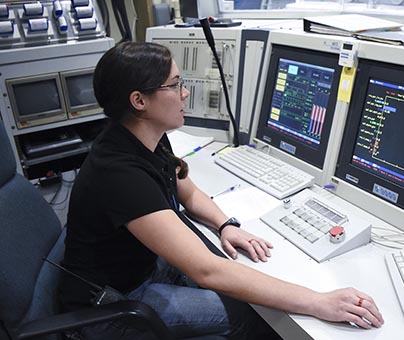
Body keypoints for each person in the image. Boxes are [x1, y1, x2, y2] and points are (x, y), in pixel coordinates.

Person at [58, 41, 384, 340]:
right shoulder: (119, 173)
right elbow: (207, 269)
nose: (185, 93)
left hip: (139, 269)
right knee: (248, 312)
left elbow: (186, 190)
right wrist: (317, 301)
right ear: (139, 100)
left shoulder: (143, 136)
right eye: (174, 85)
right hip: (112, 304)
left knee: (238, 278)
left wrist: (225, 224)